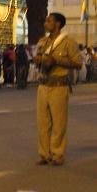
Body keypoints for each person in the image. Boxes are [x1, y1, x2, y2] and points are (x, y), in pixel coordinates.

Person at [33, 13, 81, 166]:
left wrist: (56, 60)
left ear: (58, 24)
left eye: (49, 21)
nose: (46, 23)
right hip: (43, 86)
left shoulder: (68, 42)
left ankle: (57, 154)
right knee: (43, 123)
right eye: (46, 20)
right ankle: (44, 154)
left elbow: (78, 63)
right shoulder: (43, 41)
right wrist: (38, 60)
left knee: (59, 124)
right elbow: (39, 60)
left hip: (59, 87)